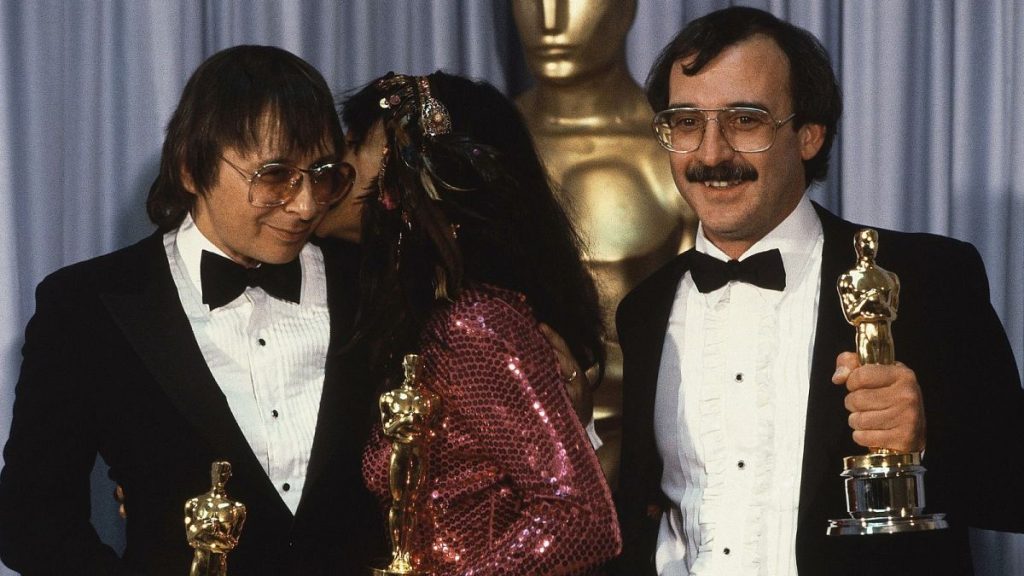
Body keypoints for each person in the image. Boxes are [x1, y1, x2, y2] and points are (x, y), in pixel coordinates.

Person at [612, 7, 1024, 576]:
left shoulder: (927, 278)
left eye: (746, 120)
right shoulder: (642, 310)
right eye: (686, 122)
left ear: (809, 134)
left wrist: (929, 437)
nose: (711, 155)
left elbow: (1012, 489)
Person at [0, 45, 386, 575]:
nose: (305, 205)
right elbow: (30, 521)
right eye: (274, 176)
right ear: (191, 167)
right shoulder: (86, 308)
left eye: (321, 175)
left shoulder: (375, 287)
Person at [316, 71, 621, 575]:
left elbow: (579, 516)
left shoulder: (473, 323)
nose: (331, 168)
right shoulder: (418, 315)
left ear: (408, 172)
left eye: (353, 146)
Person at [513, 0, 696, 488]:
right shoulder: (486, 149)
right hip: (506, 467)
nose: (548, 18)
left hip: (649, 469)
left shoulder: (676, 154)